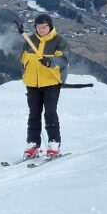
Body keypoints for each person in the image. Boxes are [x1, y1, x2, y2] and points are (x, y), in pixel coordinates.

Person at [20, 14, 69, 158]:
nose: (41, 30)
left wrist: (50, 62)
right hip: (32, 83)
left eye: (44, 27)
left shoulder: (59, 41)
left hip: (51, 82)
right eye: (38, 27)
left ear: (50, 26)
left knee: (50, 113)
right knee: (33, 114)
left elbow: (63, 59)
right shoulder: (29, 41)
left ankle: (54, 143)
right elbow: (23, 59)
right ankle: (33, 144)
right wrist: (25, 74)